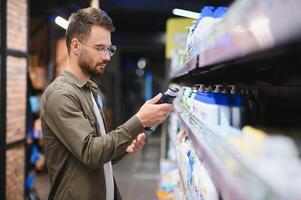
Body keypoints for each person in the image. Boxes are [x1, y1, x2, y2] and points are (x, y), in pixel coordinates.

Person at [40, 7, 173, 200]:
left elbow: (98, 148)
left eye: (109, 48)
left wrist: (122, 149)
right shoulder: (59, 95)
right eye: (100, 48)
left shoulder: (90, 90)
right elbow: (90, 153)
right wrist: (139, 120)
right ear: (76, 46)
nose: (107, 56)